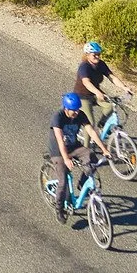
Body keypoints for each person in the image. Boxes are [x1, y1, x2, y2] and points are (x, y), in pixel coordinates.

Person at [46, 91, 94, 223]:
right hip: (58, 151)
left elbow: (90, 130)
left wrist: (104, 149)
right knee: (63, 182)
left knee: (91, 157)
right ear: (66, 109)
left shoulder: (80, 115)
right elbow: (60, 141)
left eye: (78, 109)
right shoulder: (58, 117)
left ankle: (83, 182)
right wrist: (66, 159)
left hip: (73, 147)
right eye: (74, 110)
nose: (77, 112)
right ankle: (59, 209)